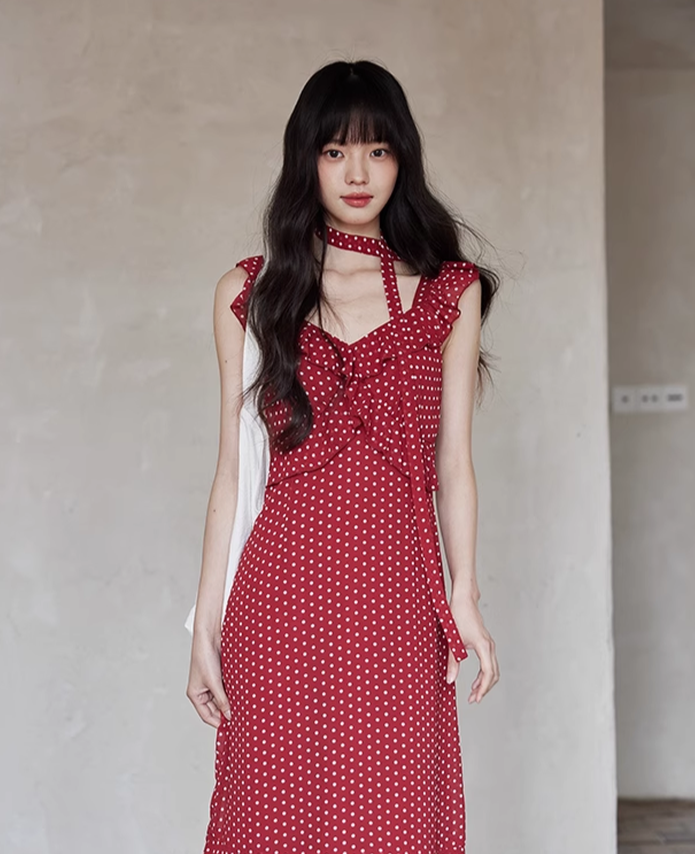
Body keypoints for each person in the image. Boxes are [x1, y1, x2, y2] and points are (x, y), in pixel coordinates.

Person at [187, 58, 501, 855]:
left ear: (403, 158)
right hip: (279, 602)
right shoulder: (252, 293)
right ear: (307, 160)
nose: (357, 174)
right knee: (274, 822)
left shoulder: (449, 291)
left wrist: (464, 592)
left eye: (377, 150)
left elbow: (454, 463)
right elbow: (232, 474)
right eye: (334, 151)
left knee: (397, 819)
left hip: (399, 600)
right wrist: (204, 627)